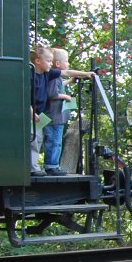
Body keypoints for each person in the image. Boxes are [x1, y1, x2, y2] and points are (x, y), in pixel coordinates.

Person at [30, 44, 91, 176]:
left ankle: (35, 167)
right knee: (35, 140)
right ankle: (34, 168)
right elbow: (24, 95)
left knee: (38, 139)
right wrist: (31, 111)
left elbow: (67, 73)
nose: (51, 64)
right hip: (32, 113)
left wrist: (86, 74)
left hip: (40, 114)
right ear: (38, 61)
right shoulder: (30, 75)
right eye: (48, 61)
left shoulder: (47, 74)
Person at [43, 48, 74, 176]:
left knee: (55, 140)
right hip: (54, 116)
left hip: (55, 116)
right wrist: (66, 97)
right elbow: (52, 94)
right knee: (54, 141)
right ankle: (52, 165)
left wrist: (70, 81)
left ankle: (52, 164)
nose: (68, 63)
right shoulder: (54, 77)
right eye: (66, 61)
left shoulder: (57, 78)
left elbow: (60, 84)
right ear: (57, 64)